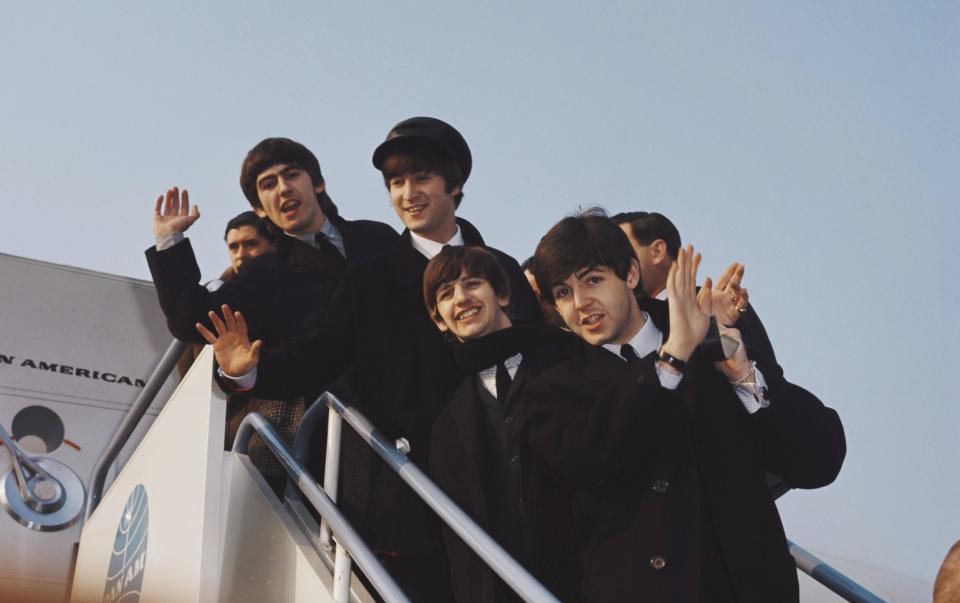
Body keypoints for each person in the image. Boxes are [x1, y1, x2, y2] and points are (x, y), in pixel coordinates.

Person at [207, 117, 542, 600]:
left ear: (454, 184)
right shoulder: (372, 276)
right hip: (416, 491)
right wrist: (245, 373)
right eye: (396, 183)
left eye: (421, 177)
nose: (409, 193)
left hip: (512, 476)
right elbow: (318, 351)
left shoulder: (503, 266)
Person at [522, 209, 845, 601]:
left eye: (592, 280)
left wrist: (742, 373)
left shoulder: (716, 342)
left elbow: (818, 460)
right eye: (563, 293)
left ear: (630, 275)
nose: (580, 303)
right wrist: (671, 358)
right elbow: (596, 462)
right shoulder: (552, 390)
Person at [422, 246, 576, 603]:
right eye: (446, 294)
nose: (461, 299)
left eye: (472, 284)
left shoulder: (570, 362)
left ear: (503, 294)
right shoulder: (446, 423)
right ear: (439, 320)